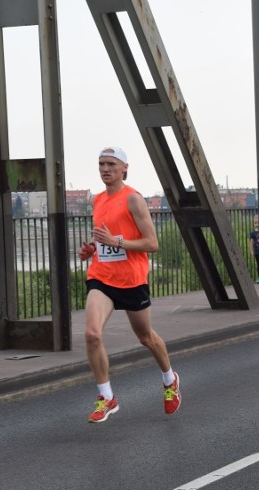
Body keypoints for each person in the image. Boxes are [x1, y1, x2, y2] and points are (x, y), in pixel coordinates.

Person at [78, 146, 182, 423]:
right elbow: (105, 241)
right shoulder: (98, 200)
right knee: (92, 334)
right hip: (101, 277)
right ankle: (106, 397)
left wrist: (117, 242)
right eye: (101, 164)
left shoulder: (133, 199)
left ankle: (170, 380)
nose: (105, 169)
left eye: (111, 164)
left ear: (124, 168)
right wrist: (92, 250)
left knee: (145, 337)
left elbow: (152, 244)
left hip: (132, 280)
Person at [249, 214, 259, 283]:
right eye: (255, 223)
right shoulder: (253, 233)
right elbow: (251, 243)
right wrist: (251, 251)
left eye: (258, 222)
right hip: (257, 252)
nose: (257, 224)